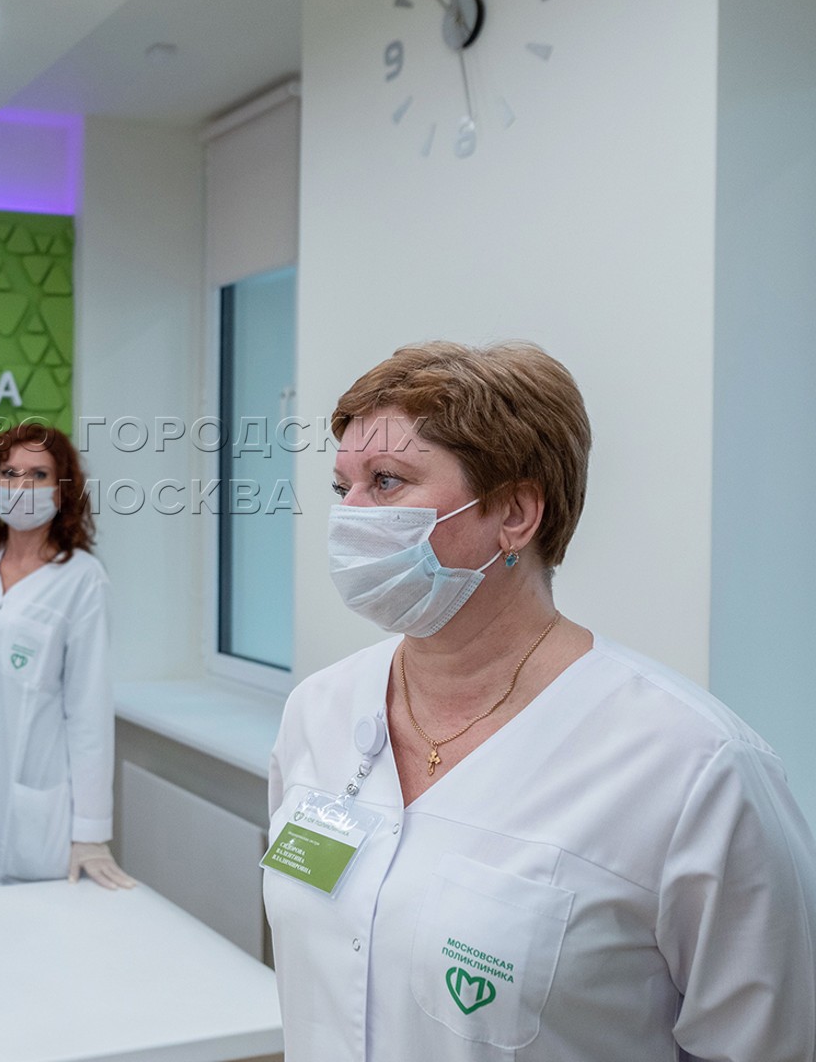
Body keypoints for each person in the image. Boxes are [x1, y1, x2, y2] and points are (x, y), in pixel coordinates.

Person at [265, 341, 816, 1061]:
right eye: (343, 487)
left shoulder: (693, 767)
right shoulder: (319, 710)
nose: (350, 516)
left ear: (516, 514)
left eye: (387, 482)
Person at [0, 423, 135, 892]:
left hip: (28, 796)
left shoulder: (82, 579)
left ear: (62, 491)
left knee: (18, 929)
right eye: (10, 472)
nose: (21, 486)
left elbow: (89, 714)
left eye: (38, 475)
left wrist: (91, 831)